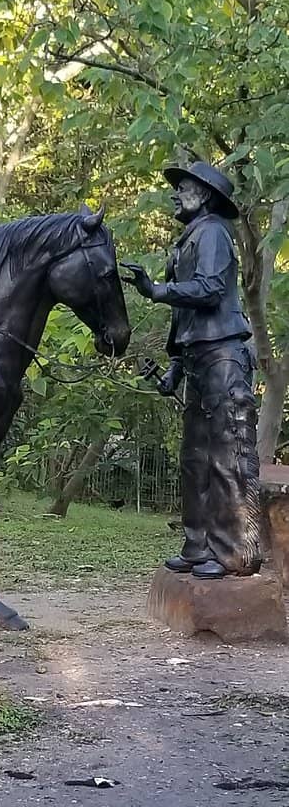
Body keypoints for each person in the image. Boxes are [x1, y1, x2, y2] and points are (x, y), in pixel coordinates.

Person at [122, 160, 261, 579]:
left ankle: (234, 553)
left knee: (228, 455)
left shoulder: (214, 232)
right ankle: (198, 545)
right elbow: (185, 320)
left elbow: (210, 290)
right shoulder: (188, 240)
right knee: (195, 458)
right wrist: (175, 369)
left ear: (203, 195)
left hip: (223, 357)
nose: (174, 194)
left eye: (182, 188)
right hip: (200, 358)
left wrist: (156, 291)